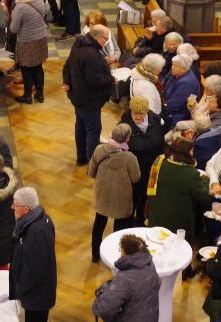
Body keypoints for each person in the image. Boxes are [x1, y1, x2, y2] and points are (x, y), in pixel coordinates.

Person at [8, 187, 58, 322]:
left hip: (38, 293)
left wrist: (21, 288)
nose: (12, 208)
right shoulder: (40, 221)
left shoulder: (36, 231)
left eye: (15, 205)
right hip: (39, 291)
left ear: (26, 209)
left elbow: (35, 268)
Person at [62, 24, 114, 165]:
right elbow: (95, 81)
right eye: (106, 38)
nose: (107, 41)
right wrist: (112, 78)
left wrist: (67, 81)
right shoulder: (91, 54)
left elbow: (68, 65)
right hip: (89, 100)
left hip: (78, 96)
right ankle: (92, 162)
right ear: (98, 37)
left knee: (80, 127)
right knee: (93, 131)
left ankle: (81, 158)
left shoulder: (79, 45)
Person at [88, 123, 140, 261]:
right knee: (120, 228)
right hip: (121, 198)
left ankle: (95, 254)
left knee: (99, 222)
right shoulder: (130, 158)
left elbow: (91, 172)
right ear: (127, 139)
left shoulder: (99, 150)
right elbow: (136, 178)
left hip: (102, 193)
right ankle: (116, 257)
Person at [145, 137, 210, 243]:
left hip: (157, 212)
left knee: (156, 242)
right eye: (191, 150)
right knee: (177, 246)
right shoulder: (190, 173)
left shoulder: (160, 160)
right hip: (178, 218)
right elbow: (203, 195)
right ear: (185, 153)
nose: (193, 152)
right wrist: (205, 179)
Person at [119, 96, 165, 223]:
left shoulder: (157, 121)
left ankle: (140, 218)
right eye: (135, 114)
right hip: (133, 172)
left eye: (141, 114)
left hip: (150, 169)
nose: (138, 117)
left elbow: (161, 144)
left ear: (147, 112)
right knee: (131, 199)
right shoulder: (124, 126)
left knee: (145, 196)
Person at [8, 0, 49, 103]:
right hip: (41, 37)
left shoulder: (20, 7)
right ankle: (40, 94)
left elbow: (14, 29)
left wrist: (9, 14)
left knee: (26, 68)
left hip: (27, 41)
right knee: (38, 67)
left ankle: (27, 96)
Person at [160, 54, 201, 127]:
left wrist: (159, 113)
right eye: (173, 65)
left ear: (184, 69)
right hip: (167, 106)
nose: (172, 68)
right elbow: (163, 83)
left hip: (178, 117)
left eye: (176, 66)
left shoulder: (187, 82)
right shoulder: (175, 72)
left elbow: (174, 105)